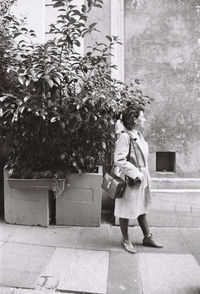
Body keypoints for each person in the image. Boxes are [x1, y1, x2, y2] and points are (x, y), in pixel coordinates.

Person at [114, 106, 163, 253]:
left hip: (141, 178)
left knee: (141, 207)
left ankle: (147, 237)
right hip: (131, 179)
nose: (144, 119)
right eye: (142, 117)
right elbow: (119, 160)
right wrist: (136, 173)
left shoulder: (138, 134)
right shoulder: (125, 136)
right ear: (134, 119)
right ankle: (125, 239)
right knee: (125, 209)